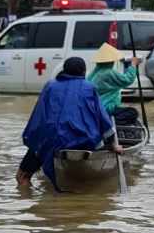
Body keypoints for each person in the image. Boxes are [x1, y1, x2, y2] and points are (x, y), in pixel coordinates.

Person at [17, 56, 121, 190]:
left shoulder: (50, 85)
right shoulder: (89, 87)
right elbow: (103, 119)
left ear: (64, 70)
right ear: (83, 72)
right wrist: (113, 145)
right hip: (85, 140)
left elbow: (38, 117)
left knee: (22, 177)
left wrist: (35, 141)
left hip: (51, 141)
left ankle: (29, 204)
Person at [88, 41, 140, 126]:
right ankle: (109, 122)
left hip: (94, 107)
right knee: (133, 113)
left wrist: (128, 66)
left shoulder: (94, 72)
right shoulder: (108, 72)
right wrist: (133, 65)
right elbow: (127, 80)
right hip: (106, 107)